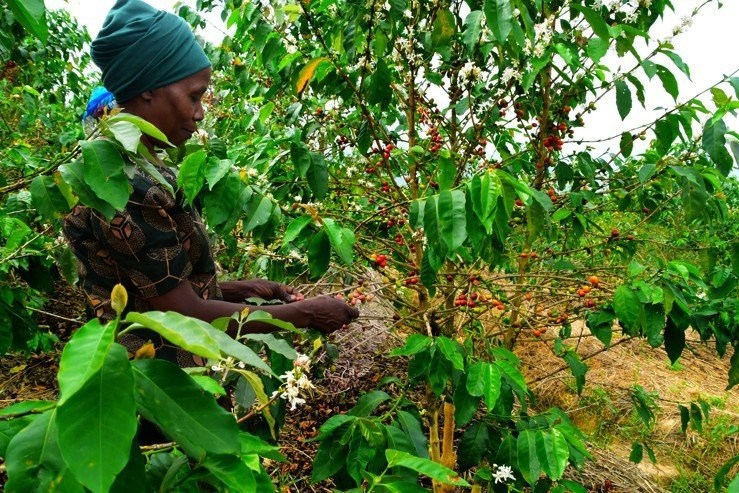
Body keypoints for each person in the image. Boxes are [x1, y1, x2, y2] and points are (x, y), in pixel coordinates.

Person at [62, 0, 358, 366]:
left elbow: (160, 286)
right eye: (194, 96)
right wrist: (305, 314)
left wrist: (246, 289)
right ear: (149, 89)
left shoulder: (145, 168)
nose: (200, 113)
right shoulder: (123, 184)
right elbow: (184, 314)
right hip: (148, 381)